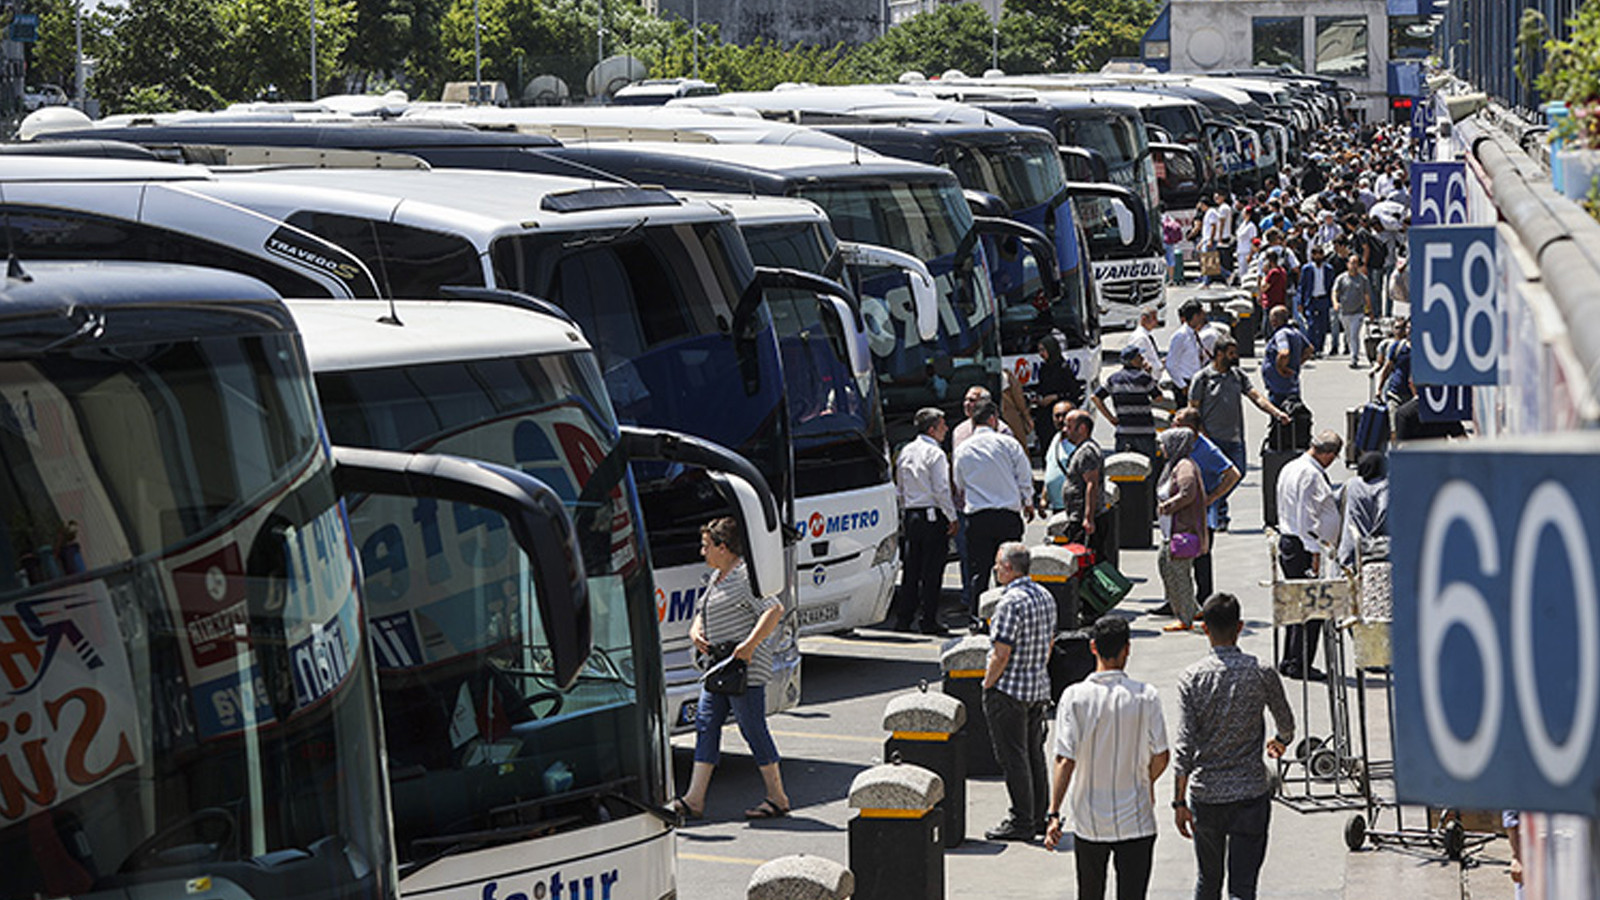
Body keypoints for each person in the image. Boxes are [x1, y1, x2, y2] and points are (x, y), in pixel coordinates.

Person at [1173, 593, 1296, 900]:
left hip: (1206, 795)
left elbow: (1184, 745)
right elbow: (1287, 725)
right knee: (1243, 888)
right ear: (1239, 627)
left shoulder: (1191, 678)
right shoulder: (1262, 672)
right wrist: (1280, 742)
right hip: (1250, 794)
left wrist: (1178, 802)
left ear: (1205, 629)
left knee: (1208, 881)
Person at [1044, 616, 1170, 899]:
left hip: (1090, 821)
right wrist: (1144, 779)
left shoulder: (1075, 697)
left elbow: (1065, 758)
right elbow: (1162, 755)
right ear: (1128, 649)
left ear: (1092, 647)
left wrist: (1054, 812)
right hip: (1137, 818)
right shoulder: (1146, 696)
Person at [677, 518, 791, 820]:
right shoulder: (717, 578)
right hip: (719, 668)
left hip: (743, 669)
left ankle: (777, 797)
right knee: (706, 723)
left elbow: (774, 609)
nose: (703, 552)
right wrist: (695, 630)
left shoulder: (745, 577)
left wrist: (749, 646)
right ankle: (695, 798)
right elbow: (702, 610)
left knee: (751, 727)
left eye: (706, 546)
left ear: (723, 547)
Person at [982, 542, 1057, 841]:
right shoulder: (1046, 596)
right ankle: (1038, 816)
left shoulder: (1010, 602)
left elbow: (1001, 653)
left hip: (1009, 690)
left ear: (1010, 568)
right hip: (1038, 686)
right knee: (1034, 755)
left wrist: (988, 684)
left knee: (1013, 757)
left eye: (999, 565)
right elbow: (1049, 642)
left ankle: (1021, 820)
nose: (996, 570)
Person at [1188, 334, 1290, 530]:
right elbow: (1193, 410)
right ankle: (1218, 514)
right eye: (1231, 353)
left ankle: (1214, 503)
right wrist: (1202, 435)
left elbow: (1256, 397)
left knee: (1238, 472)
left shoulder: (1237, 376)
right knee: (1216, 477)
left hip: (1235, 438)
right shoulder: (1202, 378)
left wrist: (1277, 413)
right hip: (1211, 440)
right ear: (1218, 354)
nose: (1235, 356)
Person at [953, 399, 1035, 628]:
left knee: (979, 571)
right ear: (993, 419)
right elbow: (1024, 475)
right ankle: (1009, 615)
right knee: (1011, 569)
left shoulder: (962, 449)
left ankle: (977, 618)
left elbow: (958, 483)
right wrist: (1028, 502)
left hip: (977, 517)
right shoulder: (1008, 444)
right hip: (1007, 516)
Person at [1275, 431, 1345, 681]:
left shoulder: (1291, 466)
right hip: (1303, 546)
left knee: (1297, 604)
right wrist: (1314, 554)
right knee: (1312, 606)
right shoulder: (1311, 474)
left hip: (1291, 542)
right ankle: (1300, 663)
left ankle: (1290, 659)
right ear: (1327, 453)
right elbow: (1307, 518)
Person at [891, 408, 958, 635]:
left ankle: (904, 618)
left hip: (912, 515)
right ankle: (928, 620)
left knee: (911, 570)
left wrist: (903, 512)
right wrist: (952, 517)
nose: (946, 430)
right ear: (932, 429)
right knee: (932, 571)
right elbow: (941, 489)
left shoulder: (905, 450)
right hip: (931, 515)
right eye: (942, 425)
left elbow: (899, 487)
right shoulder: (935, 454)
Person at [1170, 408, 1242, 605]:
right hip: (1179, 512)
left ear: (1191, 428)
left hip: (1201, 515)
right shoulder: (1178, 444)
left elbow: (1233, 473)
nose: (1173, 426)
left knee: (1201, 559)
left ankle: (1204, 601)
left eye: (1178, 423)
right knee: (1176, 557)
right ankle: (1176, 600)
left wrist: (1213, 497)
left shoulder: (1207, 449)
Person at [1155, 427, 1208, 632]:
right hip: (1170, 531)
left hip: (1182, 532)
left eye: (1164, 444)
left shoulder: (1184, 467)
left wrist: (1167, 506)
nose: (1161, 448)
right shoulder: (1174, 465)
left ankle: (1185, 618)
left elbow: (1187, 493)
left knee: (1179, 574)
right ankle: (1192, 608)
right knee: (1166, 566)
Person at [1092, 345, 1163, 460]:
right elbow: (1158, 398)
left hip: (1124, 432)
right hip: (1145, 432)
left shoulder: (1113, 379)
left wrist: (1111, 418)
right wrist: (1150, 375)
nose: (1142, 360)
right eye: (1139, 357)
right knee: (1149, 468)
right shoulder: (1144, 378)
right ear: (1133, 361)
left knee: (1123, 466)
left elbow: (1095, 397)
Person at [1059, 409, 1104, 548]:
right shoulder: (1081, 449)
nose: (1065, 430)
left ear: (1083, 428)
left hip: (1081, 518)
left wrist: (1088, 518)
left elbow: (1092, 483)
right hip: (1076, 515)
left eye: (1069, 426)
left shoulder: (1087, 451)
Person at [1338, 450, 1389, 569]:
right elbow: (1384, 511)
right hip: (1371, 552)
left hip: (1348, 545)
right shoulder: (1384, 486)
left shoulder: (1351, 484)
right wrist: (1376, 535)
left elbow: (1334, 501)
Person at [1260, 306, 1313, 407]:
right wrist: (1298, 362)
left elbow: (1284, 352)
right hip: (1291, 385)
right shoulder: (1295, 332)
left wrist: (1281, 368)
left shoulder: (1281, 334)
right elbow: (1309, 349)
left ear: (1274, 321)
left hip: (1280, 388)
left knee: (1280, 416)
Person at [1031, 334, 1079, 444]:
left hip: (1060, 417)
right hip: (1045, 417)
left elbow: (1074, 393)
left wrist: (1055, 397)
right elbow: (1043, 388)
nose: (1041, 354)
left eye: (1043, 350)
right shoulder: (1044, 368)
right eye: (1039, 350)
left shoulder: (1063, 369)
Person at [1166, 300, 1210, 408]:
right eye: (1200, 315)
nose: (1202, 318)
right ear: (1195, 316)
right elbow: (1170, 364)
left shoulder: (1193, 333)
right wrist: (1182, 386)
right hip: (1185, 384)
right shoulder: (1181, 336)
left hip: (1195, 382)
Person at [1333, 253, 1373, 367]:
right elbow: (1335, 292)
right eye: (1352, 263)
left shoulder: (1363, 279)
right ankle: (1352, 352)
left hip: (1358, 312)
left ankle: (1354, 358)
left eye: (1356, 263)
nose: (1354, 265)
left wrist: (1369, 311)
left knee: (1354, 335)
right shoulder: (1341, 278)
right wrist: (1336, 303)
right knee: (1349, 335)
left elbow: (1366, 296)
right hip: (1344, 312)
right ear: (1347, 264)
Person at [1296, 245, 1337, 354]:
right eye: (1315, 254)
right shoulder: (1307, 269)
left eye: (1320, 254)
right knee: (1311, 324)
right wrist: (1300, 302)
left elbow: (1332, 285)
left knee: (1322, 325)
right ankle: (1311, 348)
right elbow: (1302, 286)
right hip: (1311, 300)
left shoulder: (1328, 269)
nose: (1318, 256)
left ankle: (1320, 348)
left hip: (1323, 299)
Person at [1041, 400, 1078, 513]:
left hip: (1073, 507)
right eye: (1057, 416)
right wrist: (1044, 498)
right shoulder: (1055, 439)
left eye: (1065, 415)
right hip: (1057, 507)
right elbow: (1051, 469)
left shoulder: (1080, 443)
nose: (1061, 420)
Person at [1127, 306, 1165, 382]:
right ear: (1144, 319)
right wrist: (1160, 365)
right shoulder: (1140, 338)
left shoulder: (1145, 336)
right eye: (1154, 318)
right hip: (1146, 381)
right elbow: (1141, 363)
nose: (1156, 322)